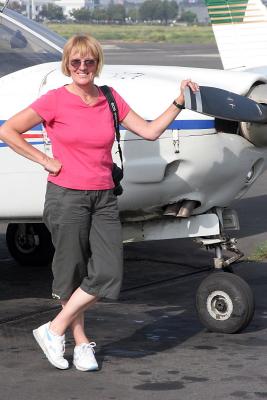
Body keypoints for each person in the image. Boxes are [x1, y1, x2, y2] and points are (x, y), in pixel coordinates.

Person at [0, 34, 199, 372]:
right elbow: (9, 131)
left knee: (108, 271)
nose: (82, 67)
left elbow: (149, 131)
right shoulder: (54, 100)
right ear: (68, 65)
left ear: (96, 64)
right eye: (76, 62)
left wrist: (178, 103)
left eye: (88, 61)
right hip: (66, 197)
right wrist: (45, 160)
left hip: (104, 196)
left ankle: (53, 329)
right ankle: (80, 345)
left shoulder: (109, 98)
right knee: (71, 274)